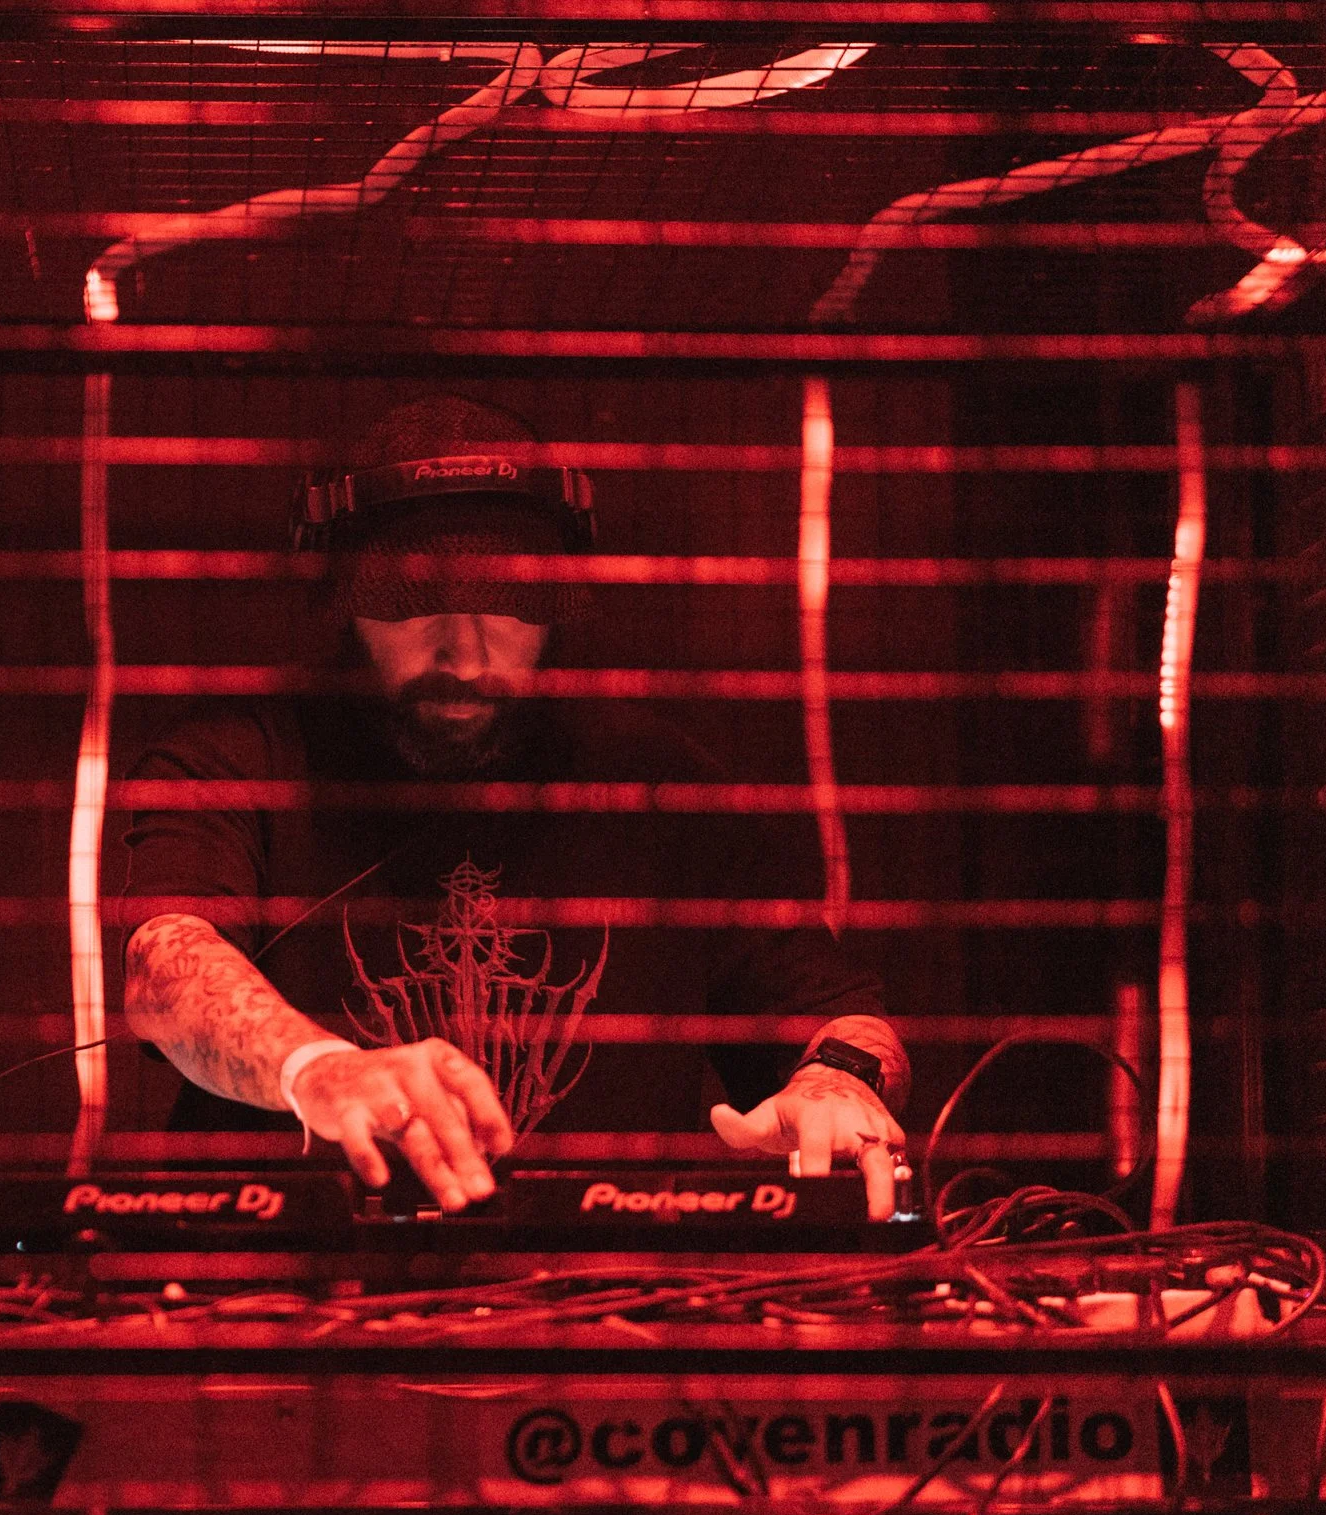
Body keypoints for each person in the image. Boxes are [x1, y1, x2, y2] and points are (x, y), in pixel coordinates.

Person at [118, 396, 912, 1218]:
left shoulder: (663, 788)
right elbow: (164, 966)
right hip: (288, 1301)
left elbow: (842, 1014)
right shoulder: (233, 756)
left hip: (604, 1298)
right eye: (411, 596)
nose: (463, 651)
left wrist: (838, 1082)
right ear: (345, 599)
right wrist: (316, 1067)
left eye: (504, 596)